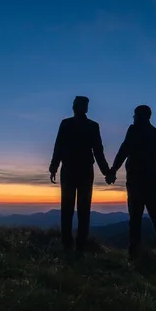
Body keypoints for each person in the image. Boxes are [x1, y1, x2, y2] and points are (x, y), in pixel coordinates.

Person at [49, 96, 111, 257]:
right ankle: (79, 248)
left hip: (70, 170)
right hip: (84, 171)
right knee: (84, 210)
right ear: (86, 108)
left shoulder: (67, 124)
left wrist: (54, 166)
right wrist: (107, 172)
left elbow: (59, 146)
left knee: (67, 209)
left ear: (75, 107)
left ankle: (68, 246)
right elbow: (98, 151)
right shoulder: (92, 126)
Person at [108, 105, 156, 261]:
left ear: (140, 116)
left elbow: (124, 150)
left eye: (135, 115)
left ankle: (134, 254)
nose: (133, 118)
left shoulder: (134, 130)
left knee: (135, 219)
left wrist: (113, 170)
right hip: (153, 182)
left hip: (136, 181)